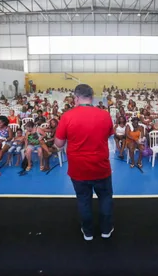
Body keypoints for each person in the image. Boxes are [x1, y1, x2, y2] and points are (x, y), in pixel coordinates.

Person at [55, 84, 114, 241]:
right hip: (101, 166)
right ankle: (106, 230)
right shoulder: (105, 115)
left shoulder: (67, 116)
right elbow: (108, 135)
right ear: (92, 97)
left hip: (78, 169)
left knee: (83, 200)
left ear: (76, 98)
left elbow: (59, 144)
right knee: (106, 198)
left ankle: (87, 232)